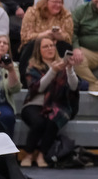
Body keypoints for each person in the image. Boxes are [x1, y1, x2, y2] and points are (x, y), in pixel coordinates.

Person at [20, 36, 78, 168]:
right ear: (38, 50)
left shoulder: (63, 65)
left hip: (58, 103)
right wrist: (53, 71)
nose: (50, 48)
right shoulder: (32, 67)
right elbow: (38, 87)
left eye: (51, 45)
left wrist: (69, 70)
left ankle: (41, 154)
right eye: (45, 46)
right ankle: (28, 154)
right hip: (34, 103)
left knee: (53, 120)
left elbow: (74, 87)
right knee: (39, 122)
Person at [19, 0, 73, 84]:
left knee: (65, 46)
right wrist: (43, 35)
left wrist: (60, 36)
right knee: (31, 46)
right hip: (34, 44)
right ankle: (25, 80)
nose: (58, 5)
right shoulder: (33, 12)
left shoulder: (65, 14)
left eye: (60, 2)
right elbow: (25, 36)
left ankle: (64, 79)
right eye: (55, 2)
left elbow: (69, 37)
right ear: (46, 2)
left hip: (56, 44)